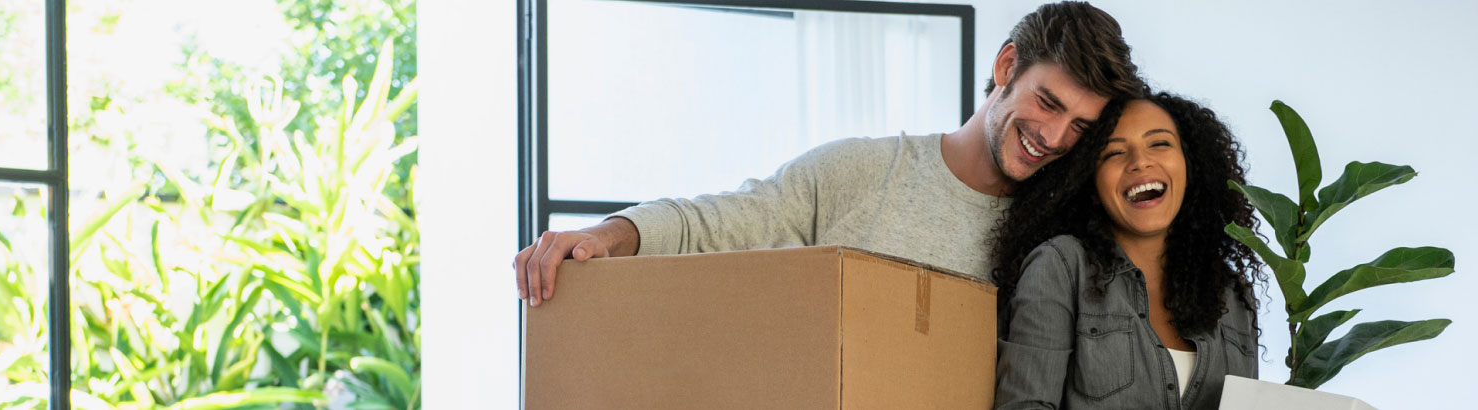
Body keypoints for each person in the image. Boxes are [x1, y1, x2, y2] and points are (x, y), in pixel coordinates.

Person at [515, 1, 1146, 307]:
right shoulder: (864, 172)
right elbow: (729, 219)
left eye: (1080, 128)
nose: (1056, 137)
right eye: (1049, 103)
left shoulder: (1059, 233)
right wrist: (609, 234)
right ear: (1006, 65)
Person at [989, 91, 1266, 409]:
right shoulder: (1062, 266)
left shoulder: (1232, 294)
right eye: (1113, 154)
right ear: (1090, 186)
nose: (1140, 162)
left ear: (1190, 167)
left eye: (1159, 144)